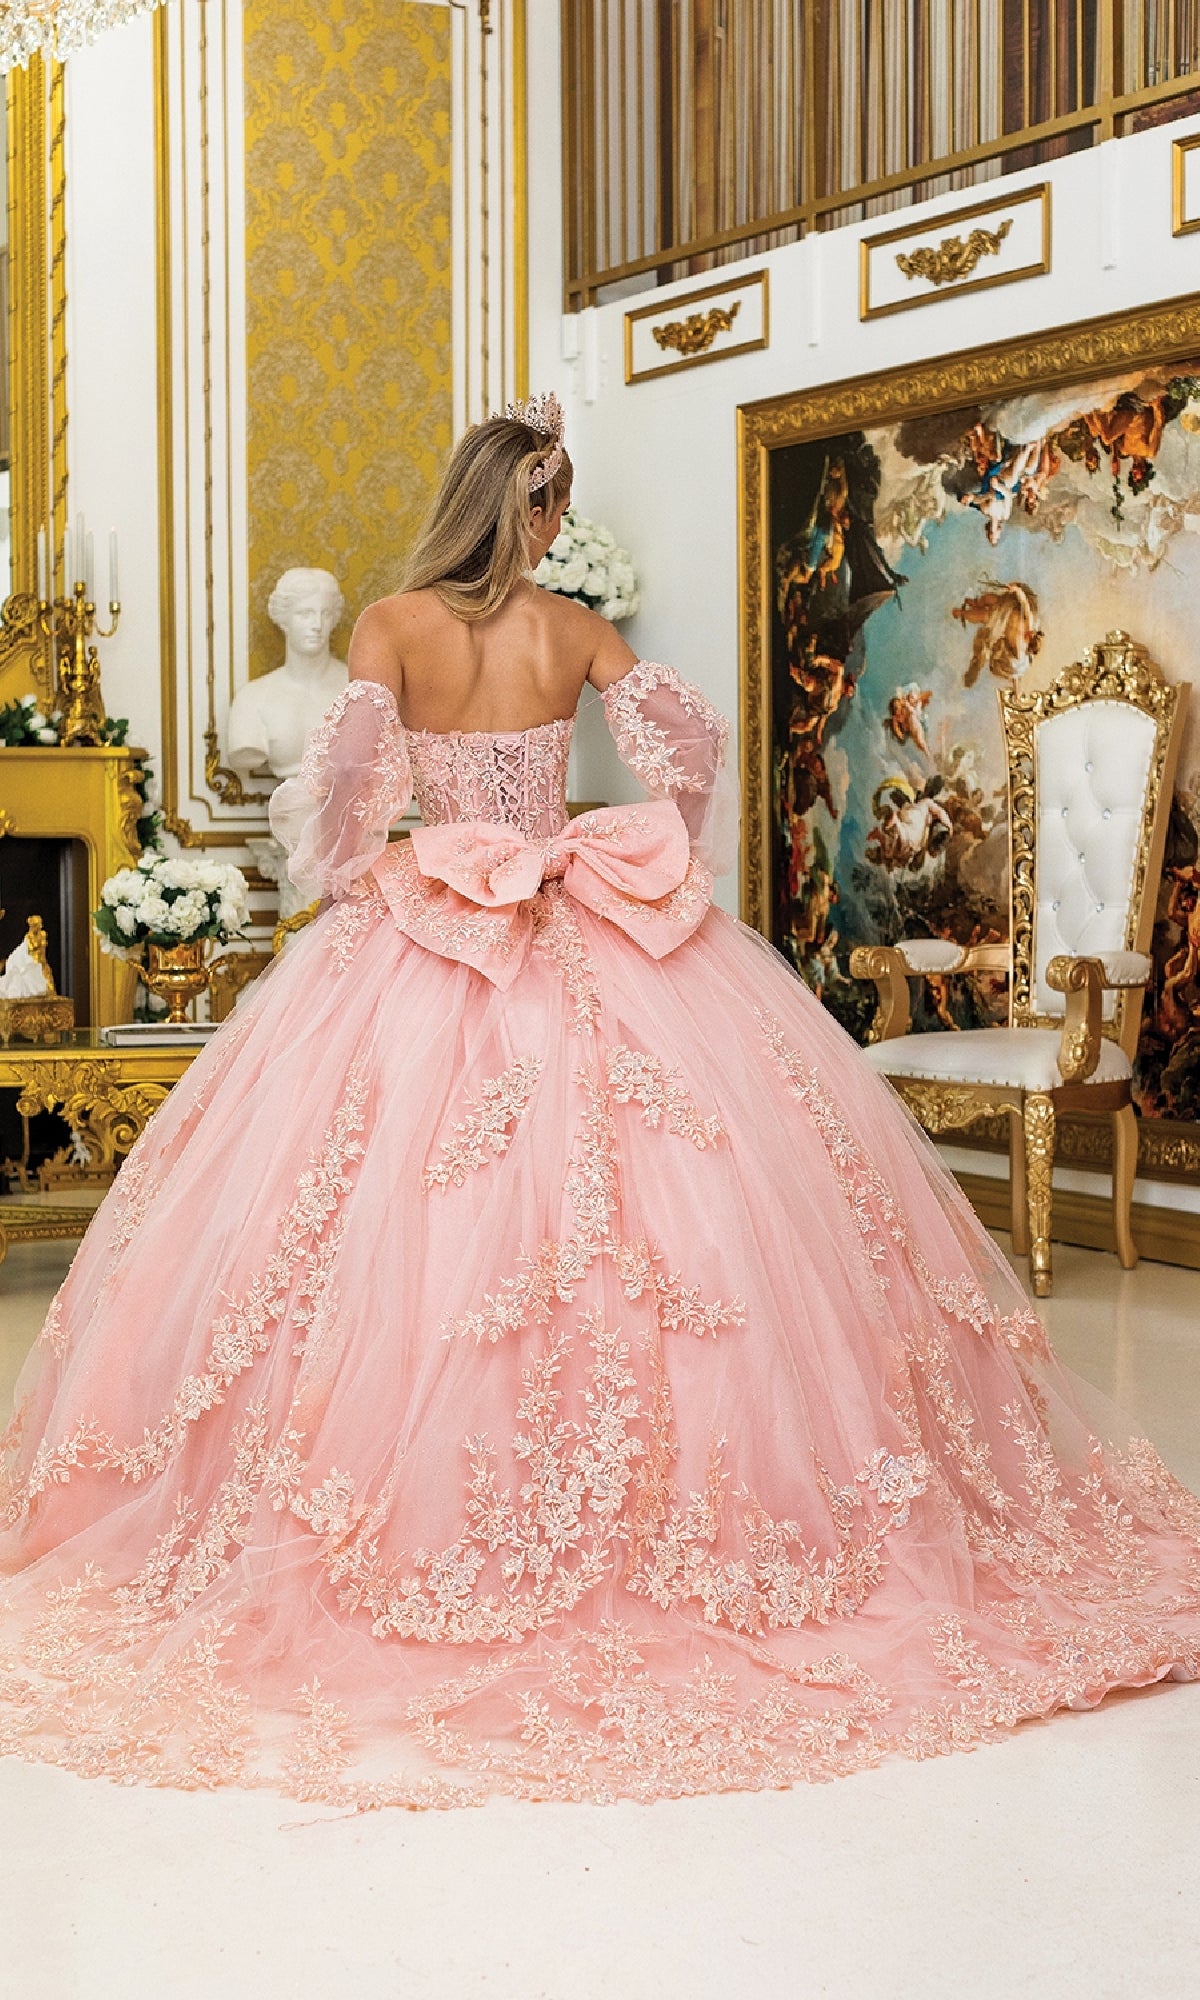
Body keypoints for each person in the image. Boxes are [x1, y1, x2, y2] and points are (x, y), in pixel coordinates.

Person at [1, 395, 1197, 1811]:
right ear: (538, 510)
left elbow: (337, 803)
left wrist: (354, 876)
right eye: (553, 506)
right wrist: (632, 844)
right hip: (578, 916)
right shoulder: (571, 628)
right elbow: (682, 746)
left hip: (427, 932)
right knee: (666, 1219)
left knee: (394, 1224)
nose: (556, 529)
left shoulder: (390, 623)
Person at [225, 567, 348, 782]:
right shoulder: (253, 698)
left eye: (325, 613)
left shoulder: (354, 690)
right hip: (288, 811)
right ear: (284, 621)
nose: (317, 625)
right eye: (305, 614)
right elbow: (243, 753)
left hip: (347, 811)